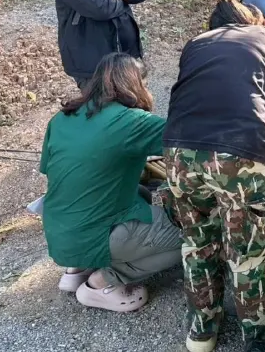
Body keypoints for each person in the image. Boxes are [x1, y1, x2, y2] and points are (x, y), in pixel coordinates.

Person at [162, 0, 265, 352]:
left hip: (179, 153)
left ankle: (202, 333)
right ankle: (262, 337)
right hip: (240, 154)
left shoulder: (195, 44)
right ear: (254, 19)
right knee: (247, 253)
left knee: (198, 244)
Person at [39, 53, 182, 312]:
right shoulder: (132, 121)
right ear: (133, 85)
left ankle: (77, 269)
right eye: (144, 83)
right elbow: (188, 139)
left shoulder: (61, 118)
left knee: (138, 193)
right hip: (94, 233)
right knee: (188, 235)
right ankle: (102, 282)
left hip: (58, 229)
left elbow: (53, 171)